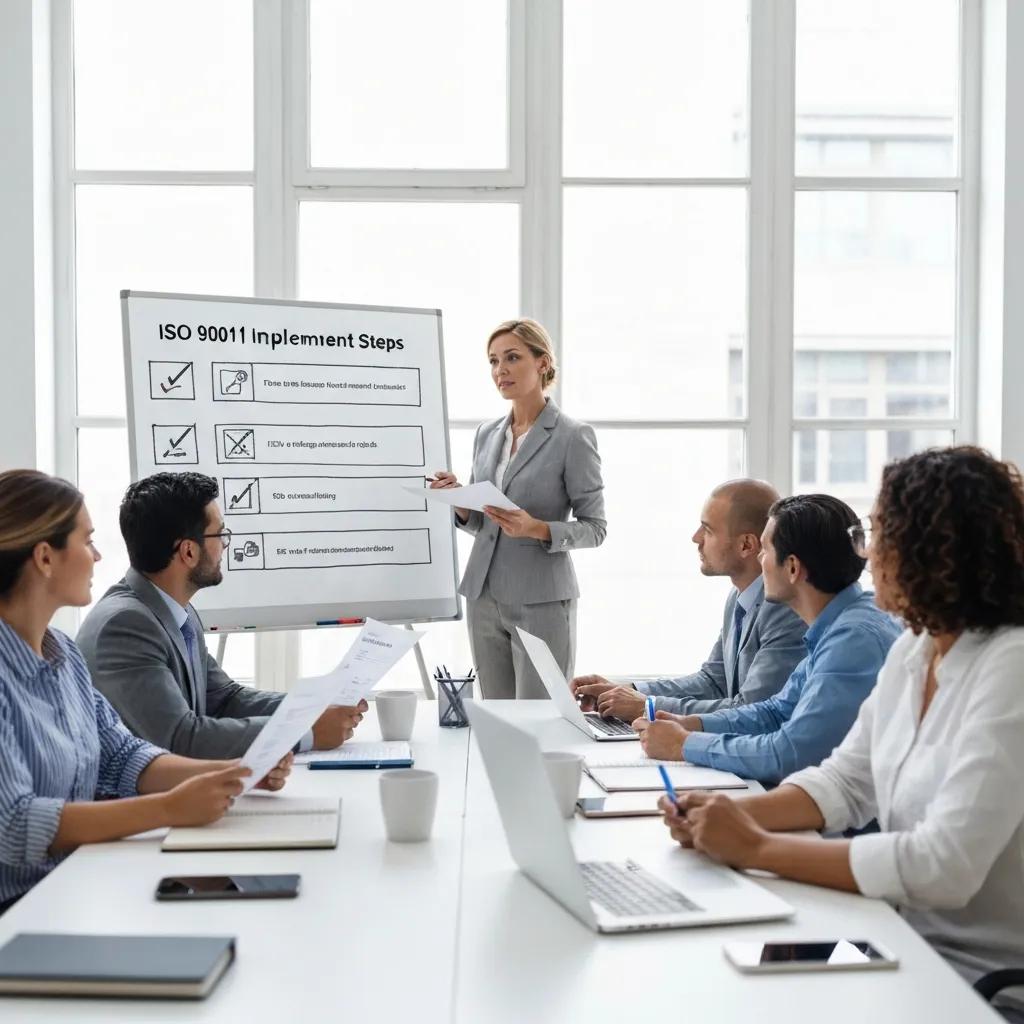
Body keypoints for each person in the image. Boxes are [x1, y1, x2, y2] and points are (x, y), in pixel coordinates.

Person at [658, 448, 1024, 1023]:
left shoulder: (1011, 668)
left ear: (938, 551)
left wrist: (755, 846)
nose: (868, 555)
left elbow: (942, 866)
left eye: (879, 536)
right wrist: (723, 815)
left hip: (975, 982)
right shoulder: (916, 650)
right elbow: (845, 782)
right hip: (895, 936)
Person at [0, 470, 291, 912]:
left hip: (77, 882)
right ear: (45, 558)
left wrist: (234, 773)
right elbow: (15, 823)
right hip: (20, 909)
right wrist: (168, 808)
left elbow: (122, 755)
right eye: (87, 541)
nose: (98, 556)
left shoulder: (63, 655)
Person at [77, 473, 365, 758]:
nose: (226, 544)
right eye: (220, 534)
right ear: (189, 552)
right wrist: (303, 732)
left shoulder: (175, 611)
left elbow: (225, 699)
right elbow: (180, 739)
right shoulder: (126, 625)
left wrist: (313, 706)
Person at [635, 494, 901, 785]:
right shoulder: (838, 623)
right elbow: (775, 712)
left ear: (792, 568)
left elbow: (790, 754)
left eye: (765, 551)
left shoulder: (853, 639)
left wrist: (684, 744)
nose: (760, 560)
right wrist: (692, 724)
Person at [430, 319, 606, 698]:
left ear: (543, 363)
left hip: (542, 599)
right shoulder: (486, 433)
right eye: (493, 361)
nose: (500, 370)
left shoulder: (573, 436)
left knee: (540, 716)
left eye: (512, 358)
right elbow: (484, 523)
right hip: (483, 596)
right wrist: (460, 502)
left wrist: (537, 528)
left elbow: (595, 528)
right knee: (497, 714)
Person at [570, 479, 806, 721]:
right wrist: (626, 691)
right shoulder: (738, 598)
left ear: (746, 545)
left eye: (708, 530)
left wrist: (647, 707)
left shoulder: (784, 609)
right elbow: (713, 681)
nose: (696, 538)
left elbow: (753, 710)